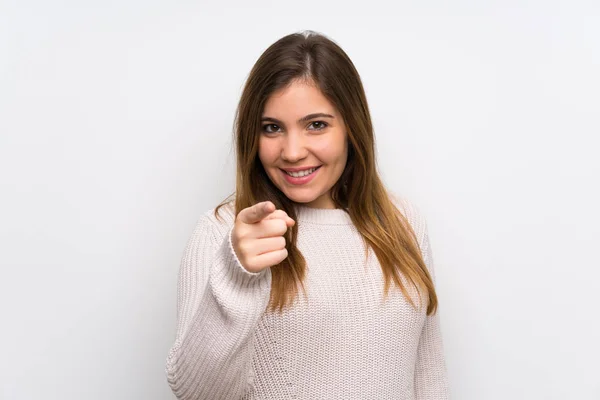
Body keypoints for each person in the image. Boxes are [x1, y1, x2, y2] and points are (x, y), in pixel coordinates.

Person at [165, 30, 450, 399]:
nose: (293, 151)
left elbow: (429, 376)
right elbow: (197, 393)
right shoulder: (223, 232)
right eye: (272, 128)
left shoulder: (401, 222)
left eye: (316, 124)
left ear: (351, 127)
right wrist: (237, 274)